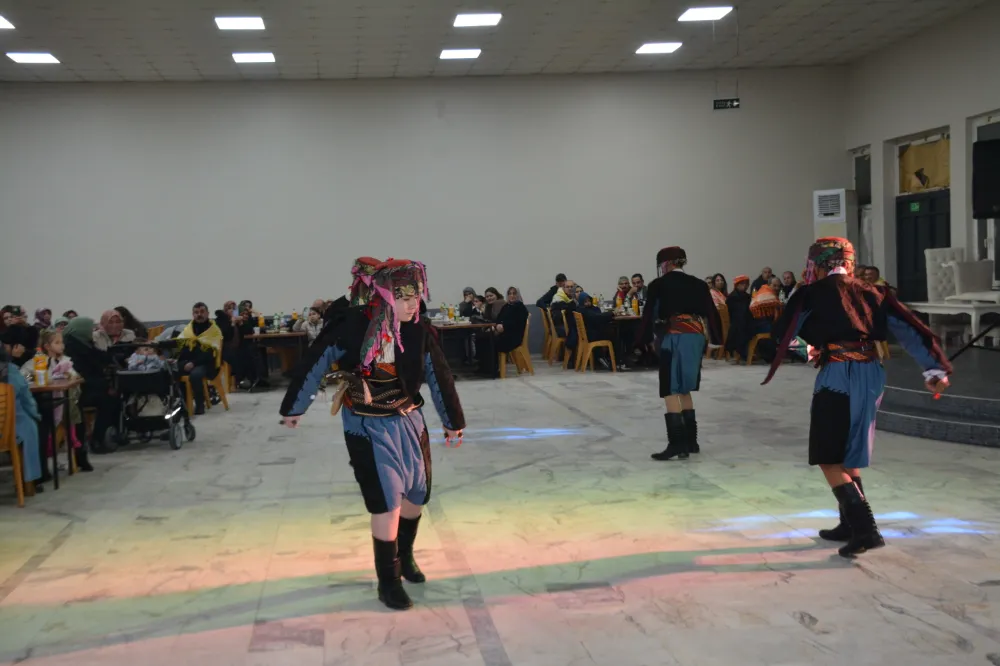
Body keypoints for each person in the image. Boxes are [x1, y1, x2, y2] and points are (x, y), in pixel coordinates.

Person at [279, 259, 465, 611]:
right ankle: (388, 580)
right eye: (404, 298)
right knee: (386, 501)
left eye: (416, 297)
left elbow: (439, 374)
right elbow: (316, 361)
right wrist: (295, 407)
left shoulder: (419, 330)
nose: (413, 305)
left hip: (410, 421)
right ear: (384, 295)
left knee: (417, 496)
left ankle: (404, 557)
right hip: (366, 424)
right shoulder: (352, 327)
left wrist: (452, 419)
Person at [763, 237, 951, 558]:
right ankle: (848, 524)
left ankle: (866, 530)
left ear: (817, 264)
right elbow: (910, 328)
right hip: (872, 374)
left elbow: (783, 334)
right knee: (849, 452)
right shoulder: (875, 291)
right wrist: (934, 370)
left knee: (827, 455)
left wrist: (809, 350)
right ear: (849, 262)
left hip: (838, 374)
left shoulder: (810, 293)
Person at [636, 247, 721, 461]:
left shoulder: (658, 285)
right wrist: (716, 339)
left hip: (673, 337)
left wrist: (641, 340)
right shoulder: (699, 284)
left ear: (666, 264)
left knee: (669, 388)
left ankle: (677, 444)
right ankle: (691, 441)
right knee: (685, 388)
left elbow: (649, 314)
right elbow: (712, 313)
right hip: (696, 337)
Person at [32, 329, 91, 471]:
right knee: (46, 417)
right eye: (57, 343)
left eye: (62, 342)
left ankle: (80, 455)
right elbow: (27, 375)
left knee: (76, 412)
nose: (62, 346)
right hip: (46, 399)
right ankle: (44, 465)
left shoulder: (65, 361)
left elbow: (75, 377)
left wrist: (69, 375)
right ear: (47, 346)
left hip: (65, 399)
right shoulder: (38, 360)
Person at [62, 317, 120, 454]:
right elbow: (86, 371)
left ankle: (102, 437)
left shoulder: (81, 342)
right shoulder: (74, 348)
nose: (92, 330)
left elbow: (98, 355)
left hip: (87, 386)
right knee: (109, 401)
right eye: (90, 328)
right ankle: (98, 439)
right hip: (80, 390)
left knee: (111, 396)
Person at [0, 346, 45, 492]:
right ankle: (31, 482)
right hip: (11, 429)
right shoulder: (11, 371)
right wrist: (36, 415)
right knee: (33, 424)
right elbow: (27, 401)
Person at [175, 302, 223, 415]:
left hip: (207, 363)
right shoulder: (189, 329)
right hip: (190, 361)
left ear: (207, 313)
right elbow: (182, 347)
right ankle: (183, 404)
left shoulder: (213, 330)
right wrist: (185, 362)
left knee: (195, 375)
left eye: (202, 312)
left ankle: (200, 405)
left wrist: (193, 363)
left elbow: (210, 354)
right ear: (193, 314)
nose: (199, 315)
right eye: (196, 312)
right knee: (173, 370)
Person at [477, 286, 529, 377]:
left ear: (518, 295)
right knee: (481, 338)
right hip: (504, 334)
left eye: (514, 293)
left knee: (491, 341)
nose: (512, 296)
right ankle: (484, 368)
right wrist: (497, 326)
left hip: (513, 337)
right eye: (509, 294)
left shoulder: (520, 307)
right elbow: (499, 319)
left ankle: (493, 370)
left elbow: (517, 323)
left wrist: (504, 326)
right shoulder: (506, 306)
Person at [724, 276, 753, 360]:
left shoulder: (747, 296)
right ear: (737, 285)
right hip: (736, 321)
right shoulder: (732, 297)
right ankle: (743, 351)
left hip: (743, 320)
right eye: (742, 284)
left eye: (747, 284)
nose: (745, 286)